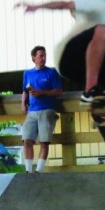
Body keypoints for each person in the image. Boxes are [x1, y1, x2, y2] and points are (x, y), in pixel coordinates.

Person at [21, 45, 63, 173]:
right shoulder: (27, 73)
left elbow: (59, 91)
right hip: (32, 110)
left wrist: (42, 92)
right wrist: (23, 103)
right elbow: (25, 91)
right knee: (27, 139)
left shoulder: (52, 72)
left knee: (44, 141)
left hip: (47, 109)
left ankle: (39, 170)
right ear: (34, 58)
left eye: (44, 56)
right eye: (41, 56)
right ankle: (28, 170)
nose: (43, 58)